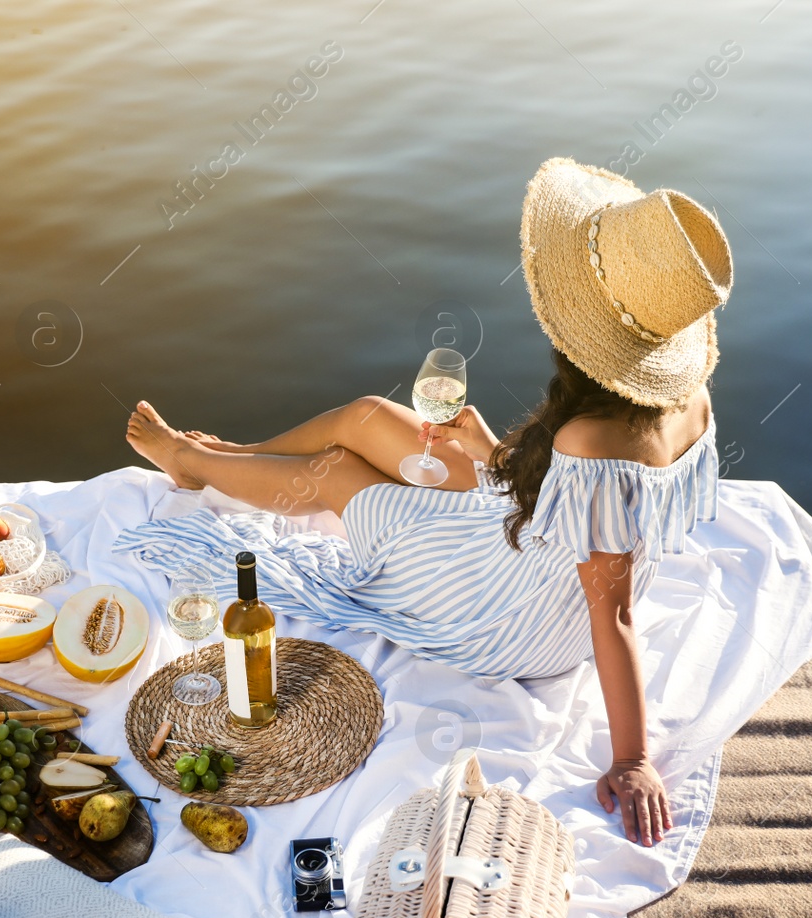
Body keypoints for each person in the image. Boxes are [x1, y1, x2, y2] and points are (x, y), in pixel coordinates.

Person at [117, 158, 733, 848]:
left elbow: (611, 609)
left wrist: (632, 759)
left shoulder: (593, 436)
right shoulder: (686, 400)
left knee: (334, 471)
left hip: (512, 602)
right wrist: (492, 452)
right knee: (366, 415)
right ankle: (234, 455)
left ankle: (190, 461)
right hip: (531, 532)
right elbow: (571, 504)